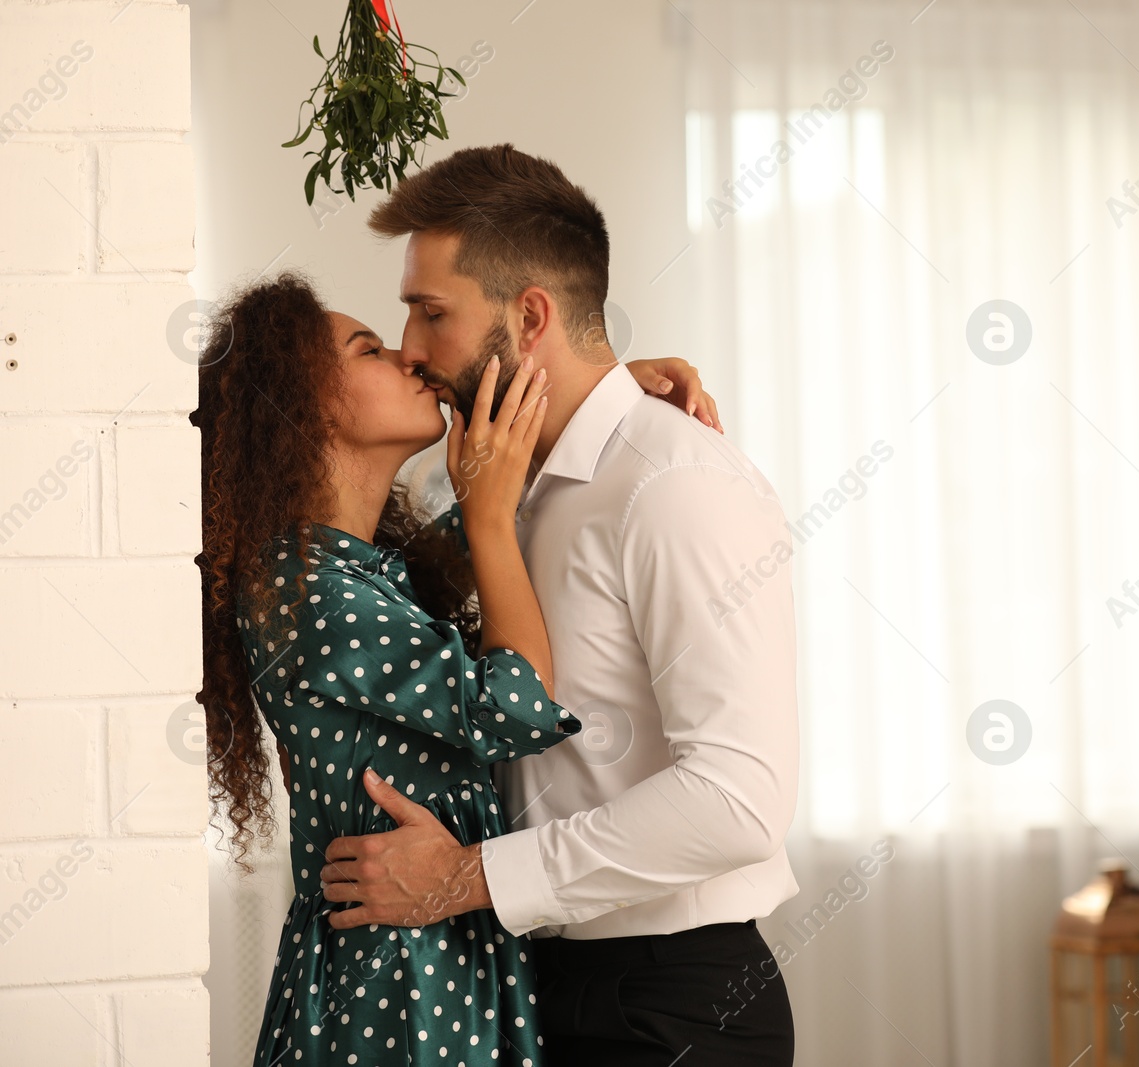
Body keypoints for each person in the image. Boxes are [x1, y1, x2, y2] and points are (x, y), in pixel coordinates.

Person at [317, 144, 802, 1065]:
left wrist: (468, 877)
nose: (412, 349)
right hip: (542, 988)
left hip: (669, 1010)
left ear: (530, 314)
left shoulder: (675, 483)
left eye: (431, 312)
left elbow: (741, 798)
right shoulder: (502, 484)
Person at [192, 271, 718, 1065]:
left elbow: (459, 532)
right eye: (370, 348)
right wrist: (490, 519)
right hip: (404, 984)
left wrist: (594, 396)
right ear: (304, 407)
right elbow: (517, 705)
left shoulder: (348, 571)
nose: (410, 359)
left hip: (433, 958)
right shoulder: (309, 594)